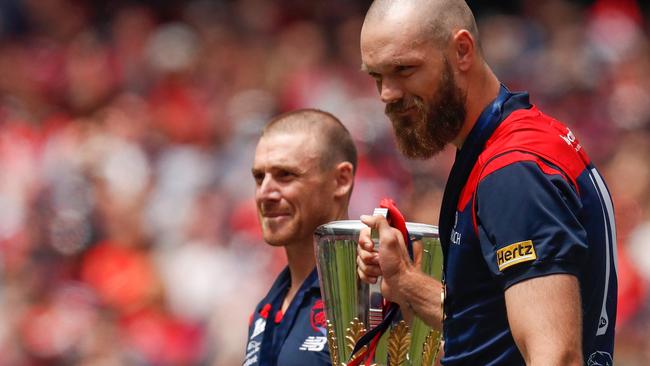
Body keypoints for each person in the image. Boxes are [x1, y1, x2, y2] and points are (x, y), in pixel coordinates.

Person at [355, 1, 617, 365]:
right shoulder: (511, 141)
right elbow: (490, 325)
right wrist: (404, 281)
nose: (388, 93)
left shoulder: (513, 170)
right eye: (378, 76)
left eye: (404, 69)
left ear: (462, 50)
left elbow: (555, 356)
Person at [243, 108, 357, 366]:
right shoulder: (265, 311)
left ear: (341, 180)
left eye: (286, 175)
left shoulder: (373, 293)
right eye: (259, 177)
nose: (265, 193)